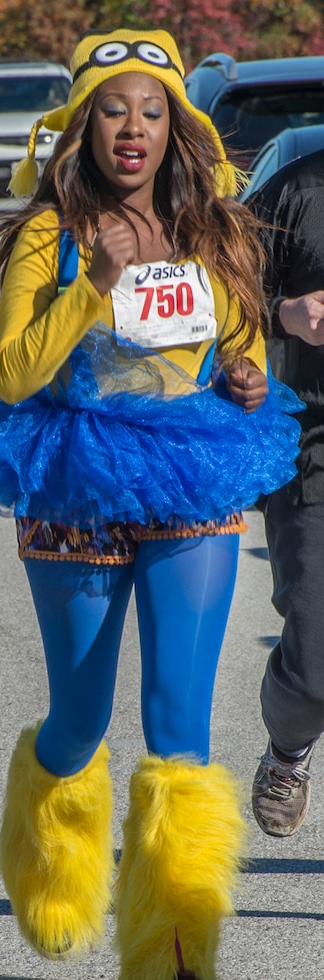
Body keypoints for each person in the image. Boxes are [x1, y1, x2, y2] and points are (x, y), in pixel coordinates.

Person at [0, 29, 303, 980]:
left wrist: (244, 372)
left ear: (176, 127)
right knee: (80, 718)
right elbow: (14, 370)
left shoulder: (212, 230)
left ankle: (172, 953)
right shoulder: (48, 236)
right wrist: (91, 281)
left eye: (151, 111)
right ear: (83, 126)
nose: (132, 129)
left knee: (179, 723)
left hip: (193, 479)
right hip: (78, 483)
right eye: (112, 109)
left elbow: (243, 348)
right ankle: (50, 856)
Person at [246, 148, 324, 839]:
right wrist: (283, 314)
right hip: (317, 452)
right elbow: (212, 294)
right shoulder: (298, 191)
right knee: (313, 671)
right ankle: (289, 749)